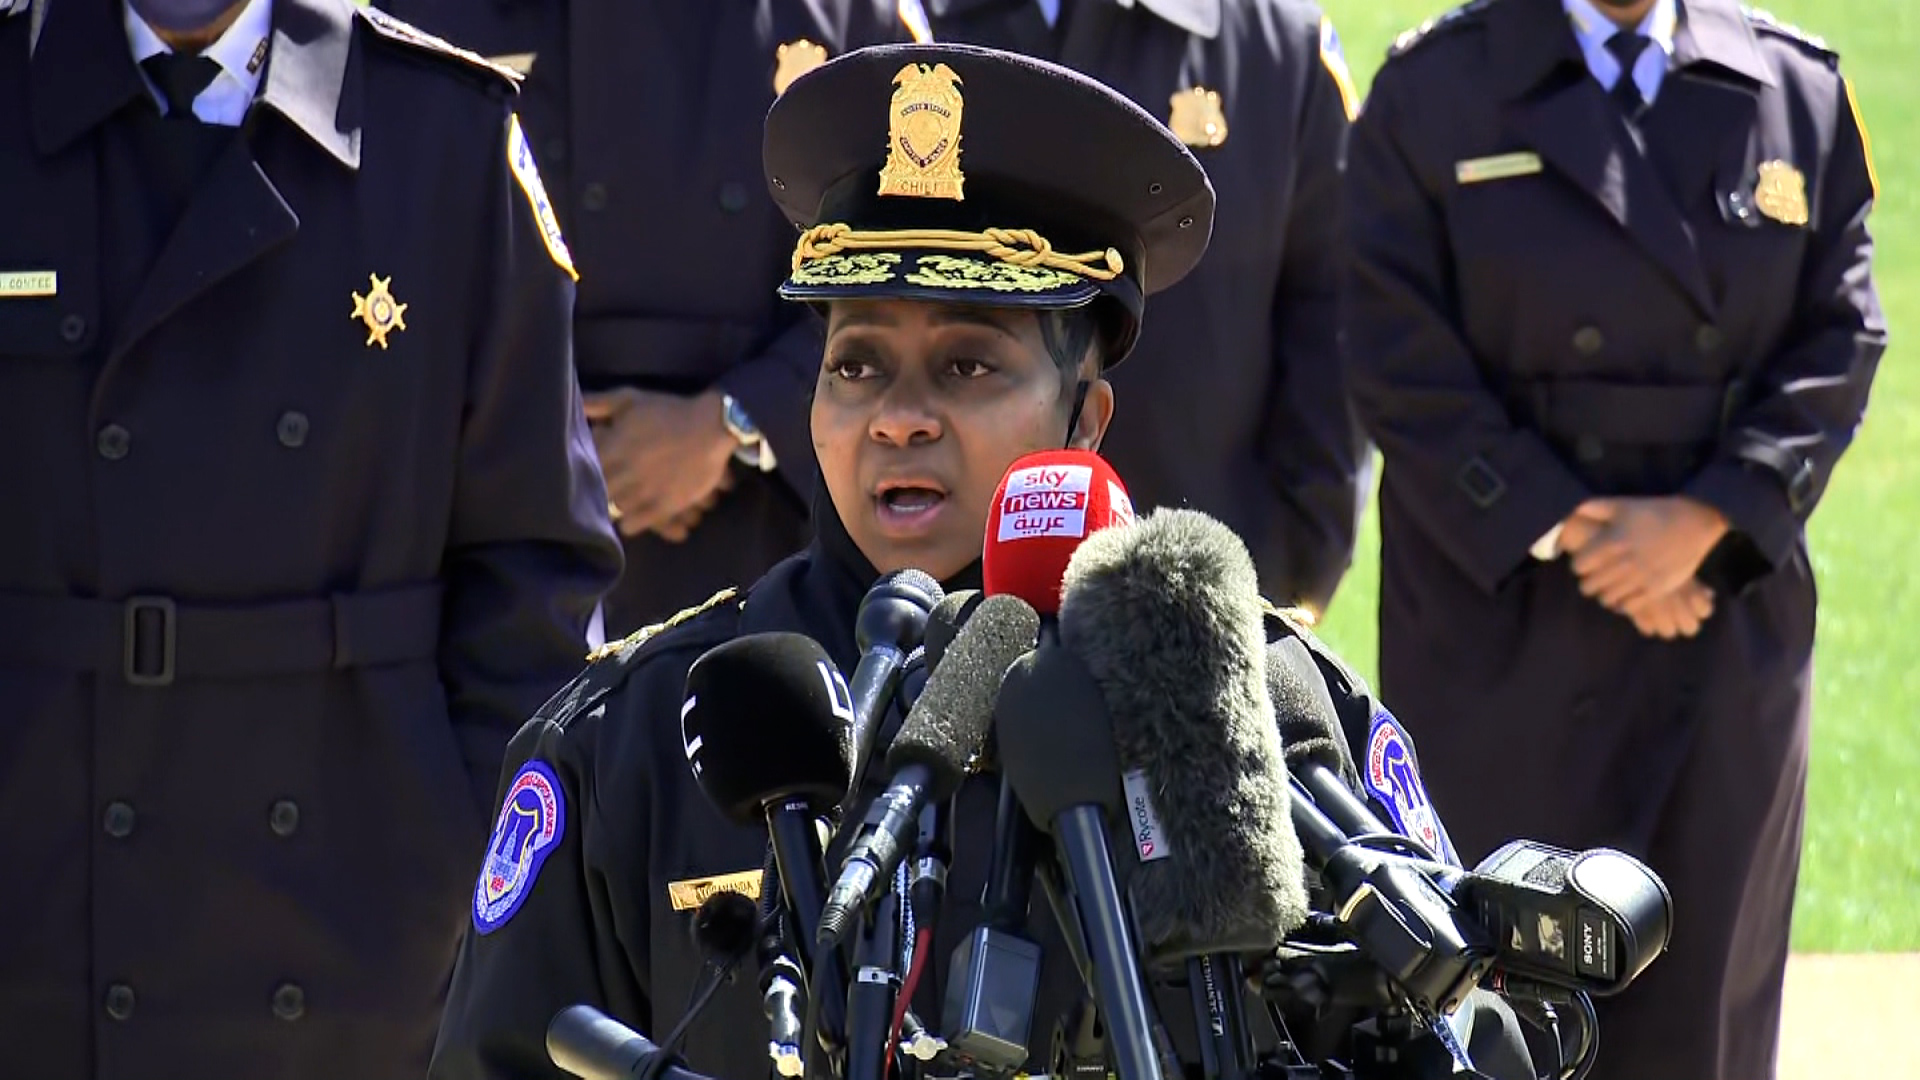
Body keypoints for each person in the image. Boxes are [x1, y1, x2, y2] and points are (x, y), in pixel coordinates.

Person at [429, 42, 1536, 1080]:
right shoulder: (634, 736)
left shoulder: (1274, 712)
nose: (898, 417)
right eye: (856, 365)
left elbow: (1460, 1035)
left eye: (967, 366)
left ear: (1086, 419)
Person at [0, 0, 623, 1075]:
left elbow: (536, 582)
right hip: (39, 933)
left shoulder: (444, 135)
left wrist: (462, 887)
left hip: (357, 952)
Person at [1342, 0, 1885, 1078]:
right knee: (1494, 1008)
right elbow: (1388, 346)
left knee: (1703, 1013)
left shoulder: (1797, 93)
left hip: (1721, 625)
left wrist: (1710, 521)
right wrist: (1568, 523)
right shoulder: (1431, 91)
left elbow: (1843, 332)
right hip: (1501, 630)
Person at [373, 0, 929, 634]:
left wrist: (735, 421)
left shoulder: (853, 16)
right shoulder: (420, 14)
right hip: (487, 559)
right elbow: (373, 257)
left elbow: (912, 265)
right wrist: (548, 443)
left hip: (771, 561)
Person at [920, 0, 1371, 615]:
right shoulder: (901, 27)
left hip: (1202, 608)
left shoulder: (1281, 50)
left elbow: (1335, 332)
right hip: (944, 610)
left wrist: (1282, 581)